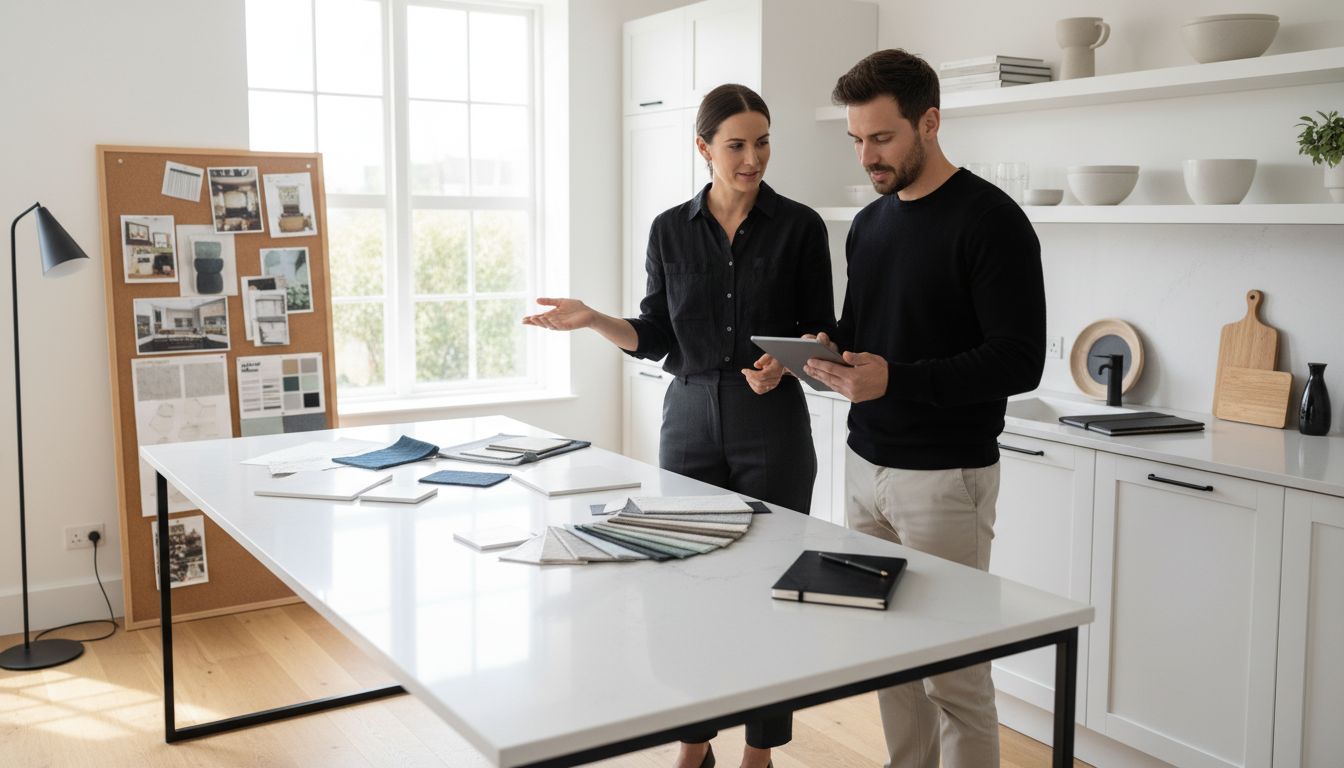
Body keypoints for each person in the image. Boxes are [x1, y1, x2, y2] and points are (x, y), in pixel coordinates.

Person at [522, 83, 835, 768]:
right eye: (736, 145)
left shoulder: (801, 227)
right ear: (703, 148)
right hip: (688, 416)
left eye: (762, 143)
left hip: (772, 420)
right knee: (685, 580)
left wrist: (784, 366)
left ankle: (760, 751)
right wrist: (594, 319)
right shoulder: (669, 229)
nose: (753, 159)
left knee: (771, 582)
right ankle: (695, 741)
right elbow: (656, 334)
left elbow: (821, 332)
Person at [802, 50, 1045, 768]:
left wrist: (896, 380)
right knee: (891, 661)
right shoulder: (869, 224)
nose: (867, 156)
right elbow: (866, 333)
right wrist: (825, 349)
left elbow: (1019, 360)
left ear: (929, 123)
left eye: (881, 138)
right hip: (864, 464)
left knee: (955, 675)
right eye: (856, 139)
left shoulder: (991, 221)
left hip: (945, 477)